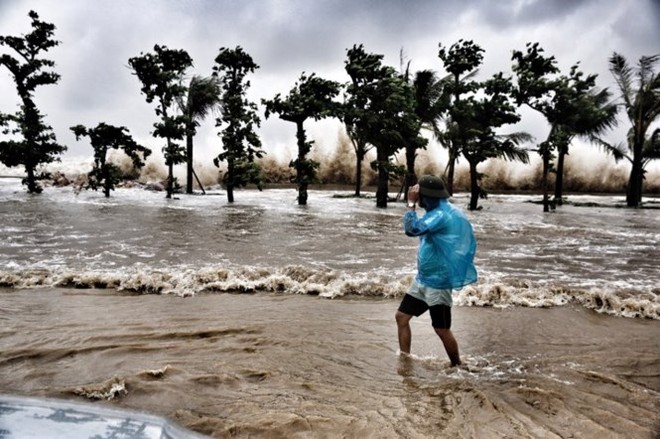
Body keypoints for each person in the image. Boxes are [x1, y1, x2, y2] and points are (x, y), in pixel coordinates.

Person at [395, 175, 477, 367]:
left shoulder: (441, 215)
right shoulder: (437, 212)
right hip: (423, 280)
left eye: (419, 195)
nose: (417, 198)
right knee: (401, 317)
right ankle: (405, 359)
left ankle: (458, 365)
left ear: (426, 196)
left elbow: (411, 229)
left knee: (441, 329)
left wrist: (410, 203)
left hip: (438, 283)